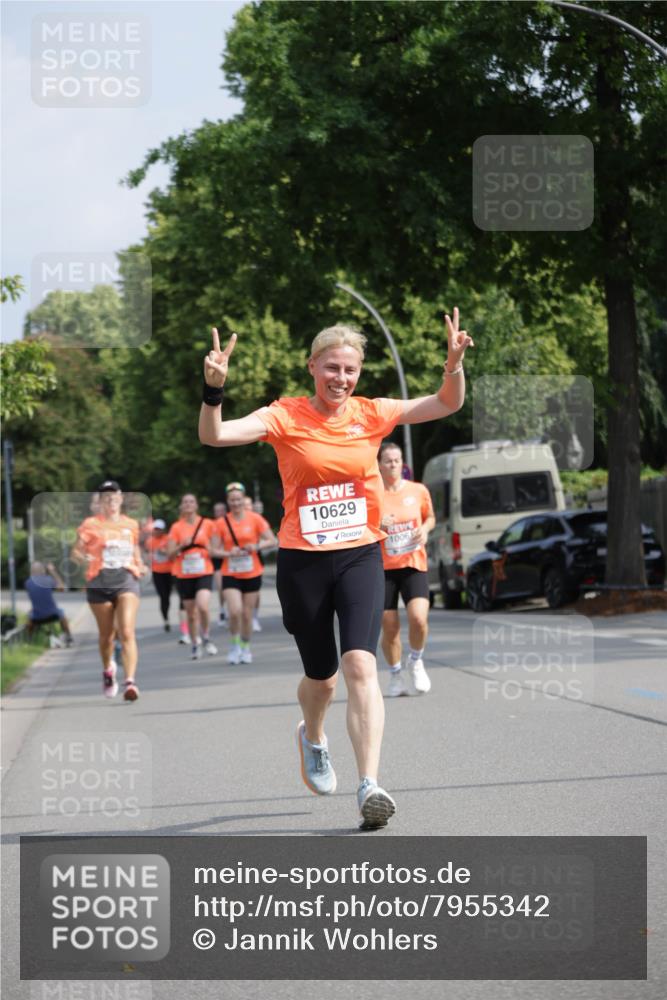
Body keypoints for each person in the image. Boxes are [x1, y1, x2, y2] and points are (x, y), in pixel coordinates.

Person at [199, 308, 473, 829]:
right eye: (331, 368)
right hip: (303, 559)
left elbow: (445, 403)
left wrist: (453, 365)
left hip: (359, 554)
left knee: (360, 665)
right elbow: (214, 436)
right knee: (321, 679)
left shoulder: (373, 413)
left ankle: (369, 783)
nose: (340, 379)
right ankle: (312, 735)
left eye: (349, 370)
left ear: (359, 373)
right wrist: (213, 391)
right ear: (312, 367)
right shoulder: (284, 415)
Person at [71, 481, 147, 700]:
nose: (111, 501)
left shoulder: (131, 524)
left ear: (121, 499)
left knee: (127, 631)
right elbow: (76, 551)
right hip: (99, 582)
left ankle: (130, 682)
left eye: (114, 497)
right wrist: (84, 557)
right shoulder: (90, 524)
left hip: (126, 579)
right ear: (100, 502)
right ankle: (108, 670)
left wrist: (140, 565)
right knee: (106, 636)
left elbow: (134, 550)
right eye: (106, 498)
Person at [378, 441, 436, 697]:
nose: (393, 465)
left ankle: (416, 660)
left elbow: (430, 518)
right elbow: (359, 525)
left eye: (397, 460)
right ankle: (395, 675)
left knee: (418, 619)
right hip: (382, 568)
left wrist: (424, 530)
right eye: (388, 460)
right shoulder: (373, 494)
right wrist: (378, 524)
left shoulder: (418, 490)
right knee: (390, 628)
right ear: (379, 464)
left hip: (413, 563)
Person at [214, 482, 277, 664]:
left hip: (252, 571)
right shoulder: (221, 523)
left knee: (247, 614)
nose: (235, 503)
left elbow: (271, 540)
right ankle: (234, 646)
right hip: (230, 572)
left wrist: (255, 546)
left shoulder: (255, 519)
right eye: (232, 500)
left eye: (238, 500)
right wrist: (228, 553)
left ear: (243, 500)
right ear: (228, 502)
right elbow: (213, 549)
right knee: (235, 612)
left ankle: (245, 646)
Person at [166, 494, 218, 660]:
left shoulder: (208, 524)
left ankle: (207, 637)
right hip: (184, 573)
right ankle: (195, 643)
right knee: (191, 613)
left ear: (196, 505)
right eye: (185, 502)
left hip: (204, 570)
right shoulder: (176, 527)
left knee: (202, 606)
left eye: (191, 502)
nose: (188, 504)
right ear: (181, 506)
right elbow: (169, 555)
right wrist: (182, 545)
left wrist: (210, 548)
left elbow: (216, 548)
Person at [24, 561, 74, 645]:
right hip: (53, 614)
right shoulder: (48, 579)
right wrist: (52, 571)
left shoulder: (28, 583)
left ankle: (29, 641)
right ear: (43, 570)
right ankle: (69, 637)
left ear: (32, 572)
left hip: (36, 617)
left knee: (29, 618)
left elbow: (36, 597)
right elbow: (62, 588)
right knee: (62, 614)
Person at [146, 519, 173, 631]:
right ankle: (166, 619)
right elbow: (148, 555)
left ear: (163, 530)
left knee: (168, 595)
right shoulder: (149, 541)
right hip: (157, 572)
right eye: (155, 529)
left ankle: (167, 616)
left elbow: (173, 553)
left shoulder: (168, 539)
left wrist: (164, 552)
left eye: (158, 529)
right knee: (163, 596)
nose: (156, 531)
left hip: (170, 571)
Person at [212, 501, 228, 628]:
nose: (220, 513)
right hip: (218, 559)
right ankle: (222, 609)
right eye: (217, 511)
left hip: (232, 558)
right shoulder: (212, 526)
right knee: (221, 586)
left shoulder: (230, 523)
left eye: (222, 510)